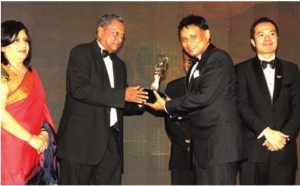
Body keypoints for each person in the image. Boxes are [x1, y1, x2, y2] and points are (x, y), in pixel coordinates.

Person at [145, 14, 245, 184]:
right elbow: (196, 105)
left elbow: (204, 97)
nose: (188, 43)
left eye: (193, 36)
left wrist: (168, 106)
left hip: (220, 147)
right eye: (183, 39)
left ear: (206, 34)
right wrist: (173, 107)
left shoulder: (218, 57)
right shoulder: (194, 66)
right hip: (203, 149)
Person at [56, 14, 148, 185]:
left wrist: (142, 100)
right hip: (80, 143)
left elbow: (117, 102)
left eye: (123, 35)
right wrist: (122, 95)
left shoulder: (120, 65)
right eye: (115, 33)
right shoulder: (80, 52)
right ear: (100, 31)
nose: (120, 39)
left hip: (111, 143)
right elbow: (79, 89)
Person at [235, 17, 300, 185]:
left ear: (278, 38)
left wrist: (282, 138)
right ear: (253, 41)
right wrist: (266, 132)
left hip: (283, 151)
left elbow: (298, 107)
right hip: (253, 153)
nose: (267, 38)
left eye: (272, 34)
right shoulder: (241, 70)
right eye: (261, 34)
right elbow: (240, 105)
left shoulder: (292, 69)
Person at [1, 20, 57, 185]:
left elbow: (43, 111)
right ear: (2, 46)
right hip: (10, 150)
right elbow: (1, 114)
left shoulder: (33, 74)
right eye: (16, 40)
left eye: (25, 40)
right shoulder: (2, 72)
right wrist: (30, 138)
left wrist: (44, 134)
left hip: (36, 150)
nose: (23, 44)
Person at [164, 51, 195, 185]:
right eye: (187, 60)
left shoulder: (213, 88)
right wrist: (188, 143)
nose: (190, 64)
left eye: (194, 60)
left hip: (209, 154)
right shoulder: (173, 87)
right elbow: (170, 121)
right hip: (182, 155)